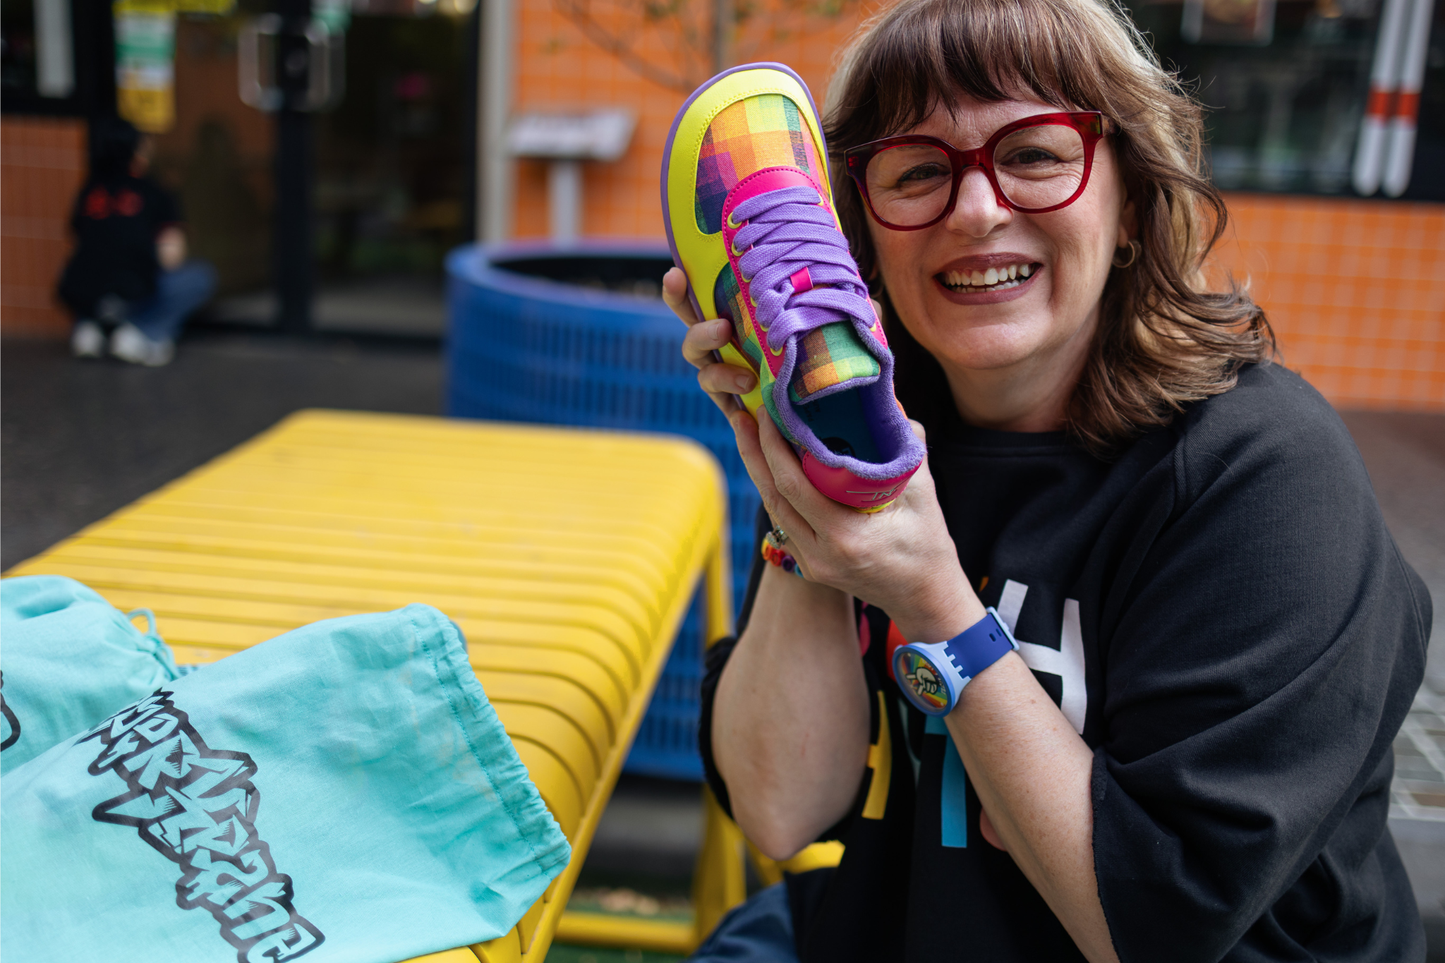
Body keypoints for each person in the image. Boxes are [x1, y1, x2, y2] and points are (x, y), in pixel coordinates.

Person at [662, 0, 1432, 960]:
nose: (978, 209)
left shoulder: (1266, 479)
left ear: (1131, 207)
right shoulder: (888, 426)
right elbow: (777, 811)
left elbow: (1152, 928)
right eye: (916, 171)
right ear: (860, 234)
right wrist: (809, 455)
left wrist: (933, 600)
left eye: (1033, 155)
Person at [59, 117, 216, 366]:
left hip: (84, 292)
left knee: (95, 269)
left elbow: (78, 241)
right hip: (133, 293)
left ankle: (91, 327)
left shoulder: (90, 191)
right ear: (138, 150)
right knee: (200, 276)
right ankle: (142, 332)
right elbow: (171, 257)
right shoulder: (154, 192)